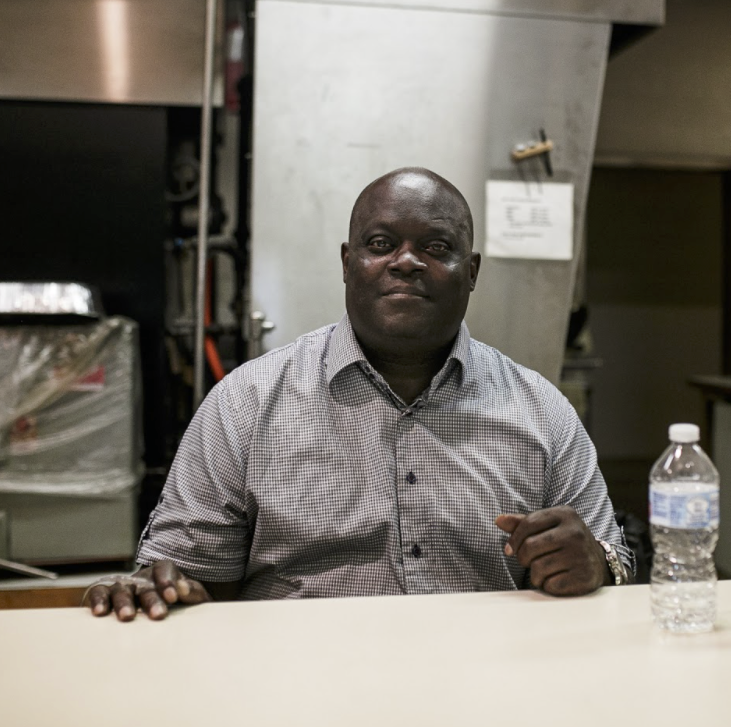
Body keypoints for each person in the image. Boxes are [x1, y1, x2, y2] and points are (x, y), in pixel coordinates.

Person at [85, 167, 631, 621]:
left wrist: (597, 562)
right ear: (348, 264)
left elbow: (611, 558)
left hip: (483, 687)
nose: (407, 261)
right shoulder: (246, 404)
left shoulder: (540, 410)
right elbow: (188, 578)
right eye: (380, 244)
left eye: (436, 247)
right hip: (294, 689)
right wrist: (161, 587)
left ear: (471, 272)